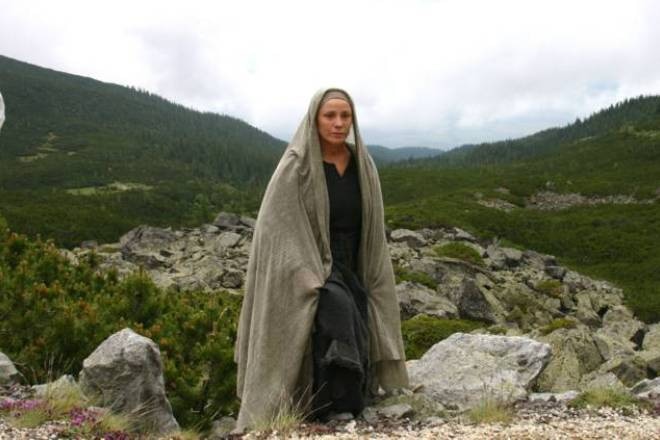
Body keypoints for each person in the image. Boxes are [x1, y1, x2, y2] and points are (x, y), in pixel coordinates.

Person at [234, 88, 408, 431]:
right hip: (309, 258)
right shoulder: (297, 165)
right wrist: (307, 270)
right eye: (330, 116)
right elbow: (275, 225)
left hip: (353, 261)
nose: (338, 123)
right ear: (314, 119)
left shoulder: (363, 164)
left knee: (358, 309)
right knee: (336, 307)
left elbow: (371, 224)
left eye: (345, 116)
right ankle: (335, 405)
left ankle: (353, 392)